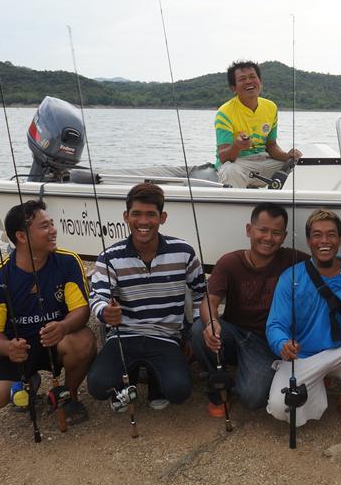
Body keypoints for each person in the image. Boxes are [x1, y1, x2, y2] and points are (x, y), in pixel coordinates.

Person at [86, 183, 206, 409]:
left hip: (166, 336)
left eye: (151, 214)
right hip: (124, 336)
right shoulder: (109, 256)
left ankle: (153, 380)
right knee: (98, 386)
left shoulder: (184, 251)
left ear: (162, 217)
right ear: (126, 216)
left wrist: (193, 333)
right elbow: (98, 296)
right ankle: (128, 378)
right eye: (136, 214)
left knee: (179, 391)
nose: (143, 222)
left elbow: (201, 292)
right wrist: (105, 312)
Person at [0, 200, 96, 424]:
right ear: (21, 237)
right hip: (19, 349)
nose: (53, 231)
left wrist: (64, 326)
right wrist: (8, 347)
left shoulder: (68, 262)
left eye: (51, 223)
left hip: (57, 342)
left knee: (83, 341)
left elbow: (81, 309)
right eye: (44, 226)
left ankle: (68, 396)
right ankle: (29, 381)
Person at [265, 209, 341, 428]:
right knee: (279, 407)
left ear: (340, 239)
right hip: (304, 356)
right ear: (309, 240)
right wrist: (282, 343)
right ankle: (319, 380)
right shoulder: (290, 277)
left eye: (331, 234)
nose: (324, 241)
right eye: (317, 234)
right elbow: (275, 324)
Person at [190, 202, 308, 416]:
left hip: (269, 343)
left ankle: (242, 381)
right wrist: (212, 322)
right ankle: (218, 382)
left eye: (276, 233)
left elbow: (329, 272)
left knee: (252, 398)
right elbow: (210, 300)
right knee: (199, 329)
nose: (268, 238)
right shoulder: (229, 262)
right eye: (262, 230)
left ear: (284, 236)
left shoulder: (295, 260)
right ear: (249, 230)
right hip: (234, 334)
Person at [215, 60, 301, 188]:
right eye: (242, 79)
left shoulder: (271, 107)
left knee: (300, 167)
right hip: (239, 163)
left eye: (252, 77)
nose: (249, 81)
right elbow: (224, 157)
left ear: (260, 82)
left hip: (265, 160)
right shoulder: (224, 112)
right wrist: (237, 146)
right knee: (230, 171)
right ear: (233, 88)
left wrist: (288, 156)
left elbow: (271, 146)